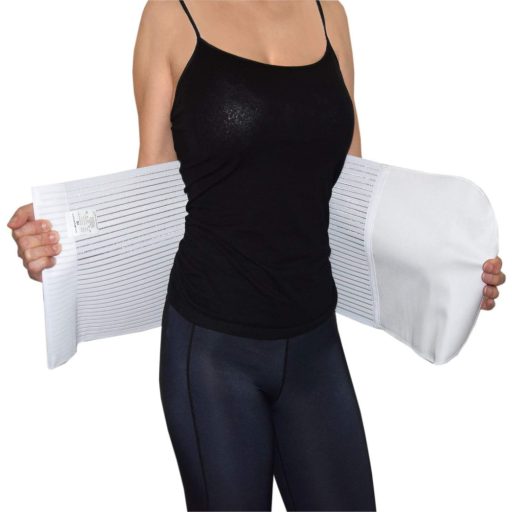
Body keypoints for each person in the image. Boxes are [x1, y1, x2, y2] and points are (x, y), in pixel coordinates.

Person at [6, 1, 506, 511]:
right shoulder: (171, 15)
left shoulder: (328, 13)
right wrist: (59, 240)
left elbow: (351, 197)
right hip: (212, 350)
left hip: (314, 344)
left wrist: (452, 273)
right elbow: (150, 191)